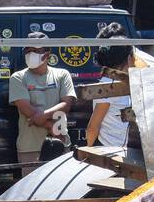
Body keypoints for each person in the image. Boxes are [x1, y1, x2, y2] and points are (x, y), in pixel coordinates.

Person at [8, 33, 75, 171]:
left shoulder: (62, 75)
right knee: (31, 191)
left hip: (61, 144)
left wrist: (42, 117)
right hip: (30, 148)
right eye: (28, 50)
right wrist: (51, 126)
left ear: (47, 52)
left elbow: (66, 105)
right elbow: (26, 110)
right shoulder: (18, 78)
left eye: (36, 50)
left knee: (61, 189)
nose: (31, 53)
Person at [86, 22, 133, 148]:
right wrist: (89, 152)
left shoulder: (124, 82)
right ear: (128, 58)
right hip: (109, 150)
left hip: (122, 149)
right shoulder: (108, 85)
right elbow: (93, 127)